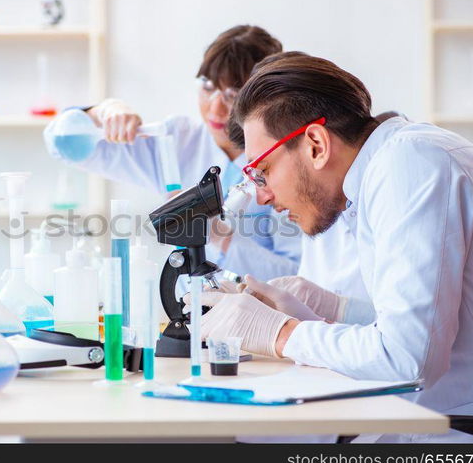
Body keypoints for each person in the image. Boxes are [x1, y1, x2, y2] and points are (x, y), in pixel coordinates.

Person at [203, 53, 473, 442]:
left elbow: (408, 360)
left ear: (315, 144)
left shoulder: (411, 165)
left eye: (264, 171)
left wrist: (284, 334)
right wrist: (333, 311)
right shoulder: (388, 166)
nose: (262, 195)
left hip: (468, 436)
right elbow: (442, 328)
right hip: (434, 419)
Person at [44, 25, 301, 282]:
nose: (215, 109)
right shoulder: (177, 142)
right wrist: (103, 112)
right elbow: (61, 144)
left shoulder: (290, 161)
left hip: (266, 316)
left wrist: (216, 233)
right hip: (188, 312)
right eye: (208, 87)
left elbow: (296, 278)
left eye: (232, 96)